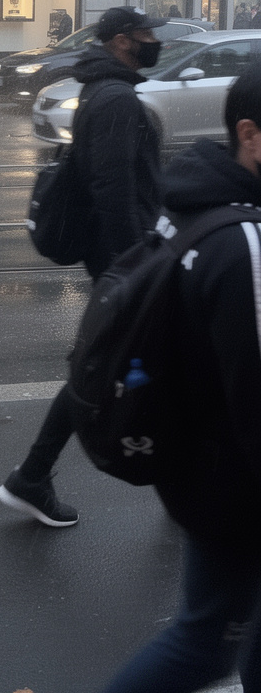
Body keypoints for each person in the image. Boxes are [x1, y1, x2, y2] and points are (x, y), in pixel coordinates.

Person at [97, 66, 261, 691]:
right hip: (234, 483)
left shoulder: (196, 205)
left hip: (202, 467)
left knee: (212, 639)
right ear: (250, 135)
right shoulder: (240, 239)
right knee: (202, 645)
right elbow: (254, 395)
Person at [0, 5, 167, 527]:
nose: (151, 41)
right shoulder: (115, 98)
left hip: (116, 257)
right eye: (144, 34)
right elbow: (114, 190)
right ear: (120, 41)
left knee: (123, 366)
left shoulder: (105, 88)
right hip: (120, 258)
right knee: (99, 368)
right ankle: (32, 474)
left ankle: (35, 475)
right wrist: (133, 268)